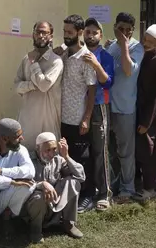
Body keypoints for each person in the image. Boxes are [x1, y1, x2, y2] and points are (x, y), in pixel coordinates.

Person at [107, 12, 145, 201]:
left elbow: (129, 70)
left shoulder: (136, 47)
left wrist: (124, 46)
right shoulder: (110, 47)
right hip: (108, 107)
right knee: (110, 150)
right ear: (115, 27)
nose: (124, 34)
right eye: (121, 29)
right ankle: (112, 184)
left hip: (125, 108)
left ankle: (127, 188)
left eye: (128, 31)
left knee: (126, 151)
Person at [78, 18, 114, 212]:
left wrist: (96, 64)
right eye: (87, 32)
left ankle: (104, 193)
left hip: (99, 107)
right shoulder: (77, 53)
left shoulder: (105, 56)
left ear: (101, 35)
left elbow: (107, 83)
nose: (90, 35)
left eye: (94, 32)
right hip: (78, 108)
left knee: (101, 151)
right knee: (84, 152)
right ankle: (86, 192)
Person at [23, 132, 85, 243]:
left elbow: (80, 177)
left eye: (54, 149)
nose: (51, 153)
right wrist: (41, 184)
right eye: (48, 150)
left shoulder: (58, 159)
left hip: (54, 202)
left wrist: (66, 156)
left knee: (73, 183)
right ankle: (35, 229)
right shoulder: (27, 160)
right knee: (38, 197)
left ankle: (68, 223)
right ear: (38, 148)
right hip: (37, 204)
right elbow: (22, 183)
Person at [58, 15, 97, 186]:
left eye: (70, 32)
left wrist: (86, 118)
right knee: (64, 158)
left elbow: (92, 89)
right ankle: (68, 191)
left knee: (81, 158)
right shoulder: (64, 53)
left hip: (78, 119)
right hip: (61, 117)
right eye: (64, 31)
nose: (66, 35)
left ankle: (86, 194)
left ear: (80, 32)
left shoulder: (86, 57)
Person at [15, 21, 63, 153]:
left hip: (47, 117)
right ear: (33, 35)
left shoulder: (56, 61)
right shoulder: (26, 59)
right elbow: (17, 86)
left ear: (51, 36)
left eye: (45, 32)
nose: (41, 35)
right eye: (38, 32)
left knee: (48, 156)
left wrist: (34, 64)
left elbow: (43, 86)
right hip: (28, 116)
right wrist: (31, 85)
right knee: (25, 154)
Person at [134, 24, 156, 201]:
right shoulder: (143, 56)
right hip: (140, 110)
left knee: (149, 151)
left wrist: (146, 123)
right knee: (139, 150)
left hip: (152, 115)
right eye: (145, 39)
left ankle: (149, 189)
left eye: (150, 41)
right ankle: (140, 185)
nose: (146, 43)